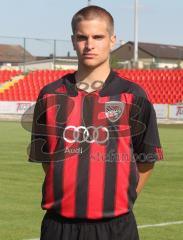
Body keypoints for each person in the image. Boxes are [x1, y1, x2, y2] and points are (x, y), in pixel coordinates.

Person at [28, 5, 163, 240]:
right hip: (59, 227)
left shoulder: (134, 95)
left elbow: (146, 160)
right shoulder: (50, 95)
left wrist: (121, 200)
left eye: (98, 37)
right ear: (73, 41)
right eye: (82, 37)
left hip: (116, 227)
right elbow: (48, 161)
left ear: (112, 40)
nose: (89, 45)